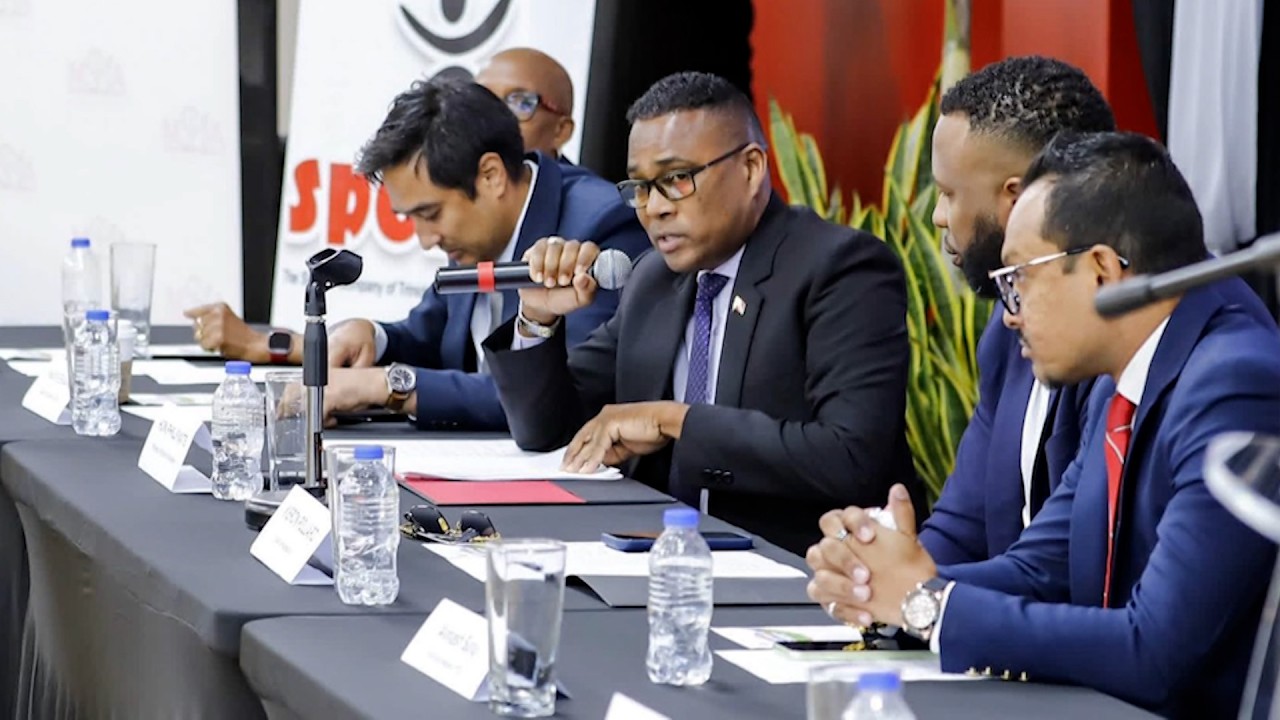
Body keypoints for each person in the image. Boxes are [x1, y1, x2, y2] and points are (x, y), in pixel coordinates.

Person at [806, 132, 1280, 717]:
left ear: (1101, 270)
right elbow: (1039, 568)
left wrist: (926, 605)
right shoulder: (1120, 379)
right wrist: (881, 579)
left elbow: (1156, 651)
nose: (1010, 315)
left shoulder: (1232, 384)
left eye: (1019, 278)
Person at [482, 72, 922, 555]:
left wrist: (674, 421)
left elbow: (850, 457)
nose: (653, 208)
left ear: (750, 168)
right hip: (657, 555)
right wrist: (537, 319)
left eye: (676, 179)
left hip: (795, 567)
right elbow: (549, 432)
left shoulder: (839, 268)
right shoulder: (653, 278)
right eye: (640, 187)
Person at [185, 47, 582, 362]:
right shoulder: (471, 226)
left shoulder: (594, 224)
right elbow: (426, 339)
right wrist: (371, 336)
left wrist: (391, 387)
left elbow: (557, 393)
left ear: (491, 175)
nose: (426, 240)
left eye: (430, 214)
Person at [920, 56, 1116, 564]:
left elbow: (1057, 562)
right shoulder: (1006, 325)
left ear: (1017, 198)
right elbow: (962, 524)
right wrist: (884, 577)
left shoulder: (1120, 332)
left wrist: (917, 592)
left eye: (948, 194)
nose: (938, 217)